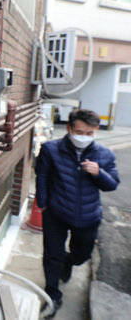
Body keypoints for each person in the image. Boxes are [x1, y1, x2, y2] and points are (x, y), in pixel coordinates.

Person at [35, 109, 119, 318]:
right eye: (80, 131)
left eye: (89, 133)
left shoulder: (105, 154)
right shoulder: (50, 149)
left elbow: (112, 185)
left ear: (96, 131)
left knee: (81, 255)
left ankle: (69, 261)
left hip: (88, 216)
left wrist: (99, 173)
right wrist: (44, 205)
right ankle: (52, 294)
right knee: (51, 255)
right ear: (70, 128)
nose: (84, 136)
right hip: (55, 214)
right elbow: (42, 178)